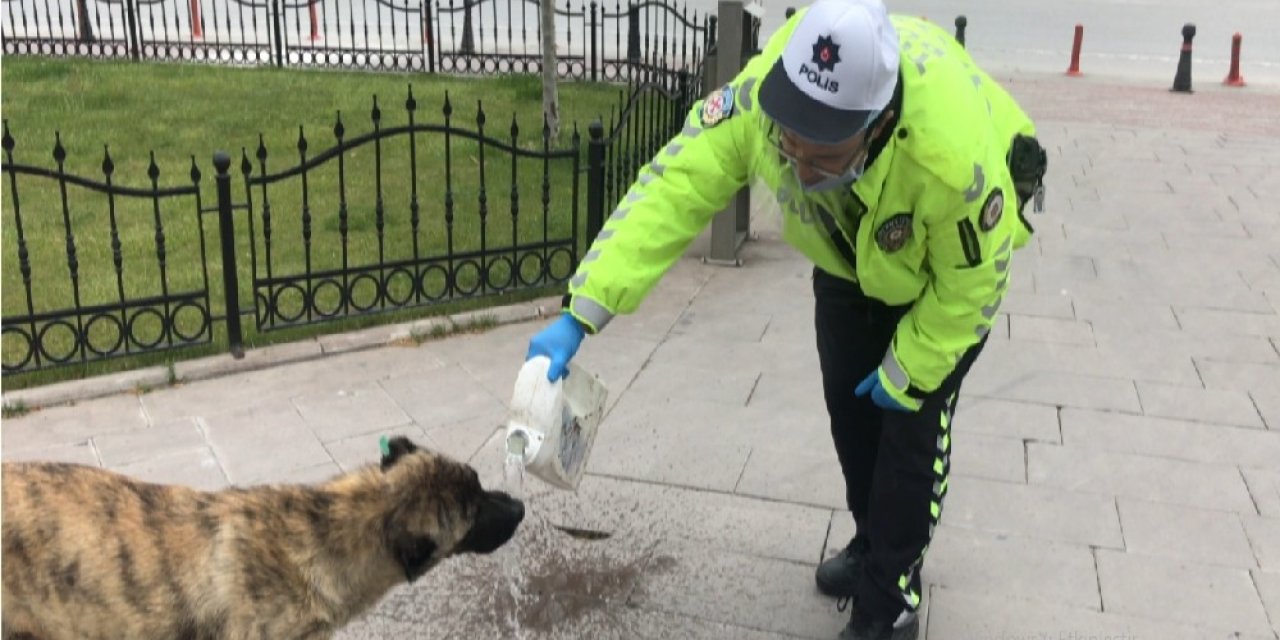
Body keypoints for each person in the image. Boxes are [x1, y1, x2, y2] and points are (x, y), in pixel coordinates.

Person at [525, 0, 1047, 638]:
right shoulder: (761, 102)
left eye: (822, 149)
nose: (797, 160)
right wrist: (582, 310)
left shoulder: (952, 162)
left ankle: (893, 595)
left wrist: (911, 364)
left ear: (878, 123)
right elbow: (672, 189)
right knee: (852, 419)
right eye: (791, 134)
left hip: (940, 283)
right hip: (847, 259)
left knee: (909, 438)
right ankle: (868, 541)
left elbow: (974, 286)